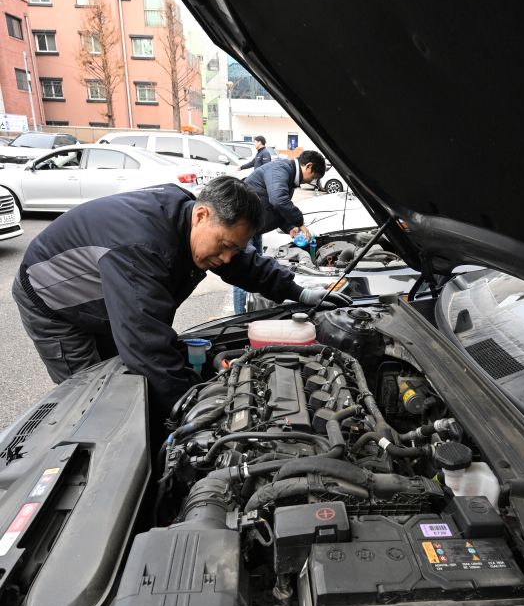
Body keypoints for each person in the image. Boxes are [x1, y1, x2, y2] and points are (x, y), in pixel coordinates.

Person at [13, 176, 347, 418]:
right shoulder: (143, 247)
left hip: (105, 296)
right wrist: (191, 406)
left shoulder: (190, 218)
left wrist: (297, 291)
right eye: (226, 245)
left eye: (236, 247)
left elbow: (243, 264)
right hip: (56, 304)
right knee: (98, 400)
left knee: (128, 374)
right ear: (201, 215)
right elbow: (147, 348)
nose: (229, 257)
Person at [232, 149, 326, 314]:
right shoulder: (280, 169)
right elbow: (278, 200)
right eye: (315, 176)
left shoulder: (287, 176)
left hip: (254, 229)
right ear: (309, 166)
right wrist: (300, 222)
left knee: (256, 271)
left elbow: (276, 208)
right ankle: (240, 319)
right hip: (243, 229)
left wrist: (290, 227)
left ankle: (252, 311)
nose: (313, 180)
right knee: (243, 274)